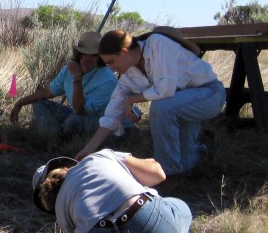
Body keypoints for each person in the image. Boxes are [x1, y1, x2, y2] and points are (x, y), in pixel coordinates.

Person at [75, 27, 226, 175]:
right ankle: (203, 148)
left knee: (161, 107)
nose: (111, 68)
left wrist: (133, 99)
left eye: (111, 62)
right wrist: (89, 148)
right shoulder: (130, 73)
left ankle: (165, 171)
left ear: (124, 52)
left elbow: (165, 89)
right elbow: (112, 113)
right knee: (186, 164)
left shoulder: (158, 43)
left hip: (210, 94)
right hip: (181, 103)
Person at [32, 149, 192, 232]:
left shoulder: (61, 211)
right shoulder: (98, 157)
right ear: (66, 166)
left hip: (96, 229)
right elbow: (157, 175)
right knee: (179, 208)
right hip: (140, 212)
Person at [9, 32, 128, 135]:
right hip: (80, 117)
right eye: (84, 53)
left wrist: (77, 78)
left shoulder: (108, 80)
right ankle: (53, 135)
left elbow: (79, 110)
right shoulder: (70, 67)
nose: (88, 58)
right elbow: (48, 92)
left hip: (104, 123)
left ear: (100, 56)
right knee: (39, 103)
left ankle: (57, 135)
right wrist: (20, 102)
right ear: (78, 53)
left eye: (93, 55)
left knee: (73, 121)